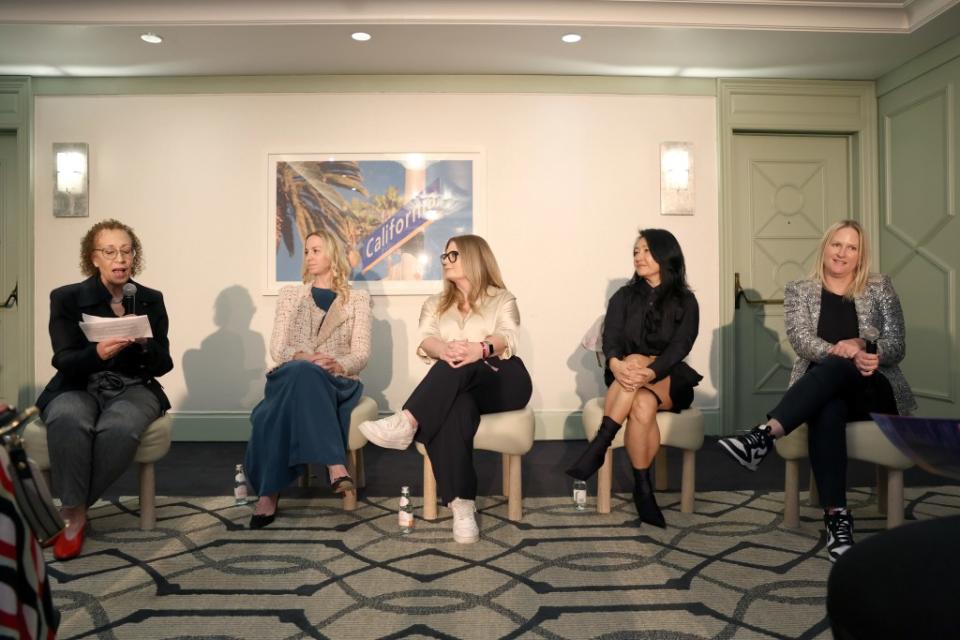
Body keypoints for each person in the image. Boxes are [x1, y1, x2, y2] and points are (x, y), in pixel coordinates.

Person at [718, 219, 916, 561]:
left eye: (851, 247)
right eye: (836, 244)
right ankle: (838, 518)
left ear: (860, 255)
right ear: (825, 247)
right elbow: (803, 342)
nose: (842, 253)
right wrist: (846, 352)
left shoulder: (879, 287)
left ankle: (764, 436)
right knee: (829, 405)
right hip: (828, 390)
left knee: (839, 366)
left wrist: (865, 346)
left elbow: (897, 345)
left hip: (875, 389)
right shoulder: (801, 289)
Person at [358, 235, 532, 544]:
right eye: (444, 257)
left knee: (461, 361)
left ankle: (409, 420)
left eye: (453, 255)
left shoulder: (502, 298)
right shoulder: (434, 303)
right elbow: (427, 340)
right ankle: (462, 506)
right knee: (456, 404)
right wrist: (448, 349)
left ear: (474, 257)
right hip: (458, 386)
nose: (446, 261)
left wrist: (479, 348)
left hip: (503, 380)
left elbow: (508, 336)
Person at [37, 219, 173, 560]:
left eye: (126, 251)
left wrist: (144, 345)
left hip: (132, 386)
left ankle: (72, 514)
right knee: (68, 417)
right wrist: (95, 353)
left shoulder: (149, 300)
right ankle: (75, 513)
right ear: (93, 258)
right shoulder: (67, 298)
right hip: (78, 383)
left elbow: (164, 363)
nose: (120, 258)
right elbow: (64, 360)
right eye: (110, 251)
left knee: (121, 426)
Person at [566, 228, 702, 528]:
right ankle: (643, 489)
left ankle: (600, 443)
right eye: (636, 251)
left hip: (669, 377)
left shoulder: (686, 301)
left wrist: (650, 369)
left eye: (646, 250)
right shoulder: (623, 297)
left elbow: (681, 347)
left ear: (666, 255)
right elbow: (611, 338)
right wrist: (615, 364)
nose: (639, 256)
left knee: (637, 360)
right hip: (627, 377)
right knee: (641, 403)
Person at [244, 230, 371, 529]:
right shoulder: (292, 296)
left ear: (332, 255)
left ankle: (268, 494)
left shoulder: (357, 299)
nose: (309, 257)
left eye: (316, 250)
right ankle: (334, 464)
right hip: (291, 373)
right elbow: (278, 348)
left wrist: (338, 364)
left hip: (336, 380)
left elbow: (362, 353)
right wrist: (306, 357)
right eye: (306, 251)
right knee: (303, 372)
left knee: (268, 415)